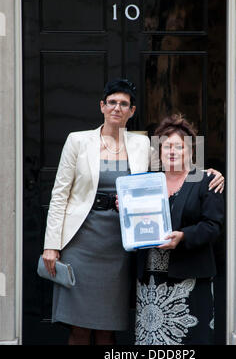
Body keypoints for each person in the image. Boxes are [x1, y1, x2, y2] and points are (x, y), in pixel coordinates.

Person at [42, 78, 224, 345]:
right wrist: (51, 245)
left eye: (124, 103)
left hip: (120, 243)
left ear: (132, 111)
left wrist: (211, 173)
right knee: (78, 327)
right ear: (102, 106)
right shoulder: (78, 141)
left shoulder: (142, 146)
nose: (117, 107)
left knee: (107, 327)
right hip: (81, 241)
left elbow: (176, 164)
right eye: (112, 102)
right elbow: (59, 195)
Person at [135, 114, 224, 345]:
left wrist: (184, 236)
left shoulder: (206, 180)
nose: (172, 152)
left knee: (192, 340)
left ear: (191, 151)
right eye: (166, 147)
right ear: (159, 151)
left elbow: (213, 226)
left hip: (190, 278)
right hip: (152, 280)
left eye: (178, 147)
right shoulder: (147, 182)